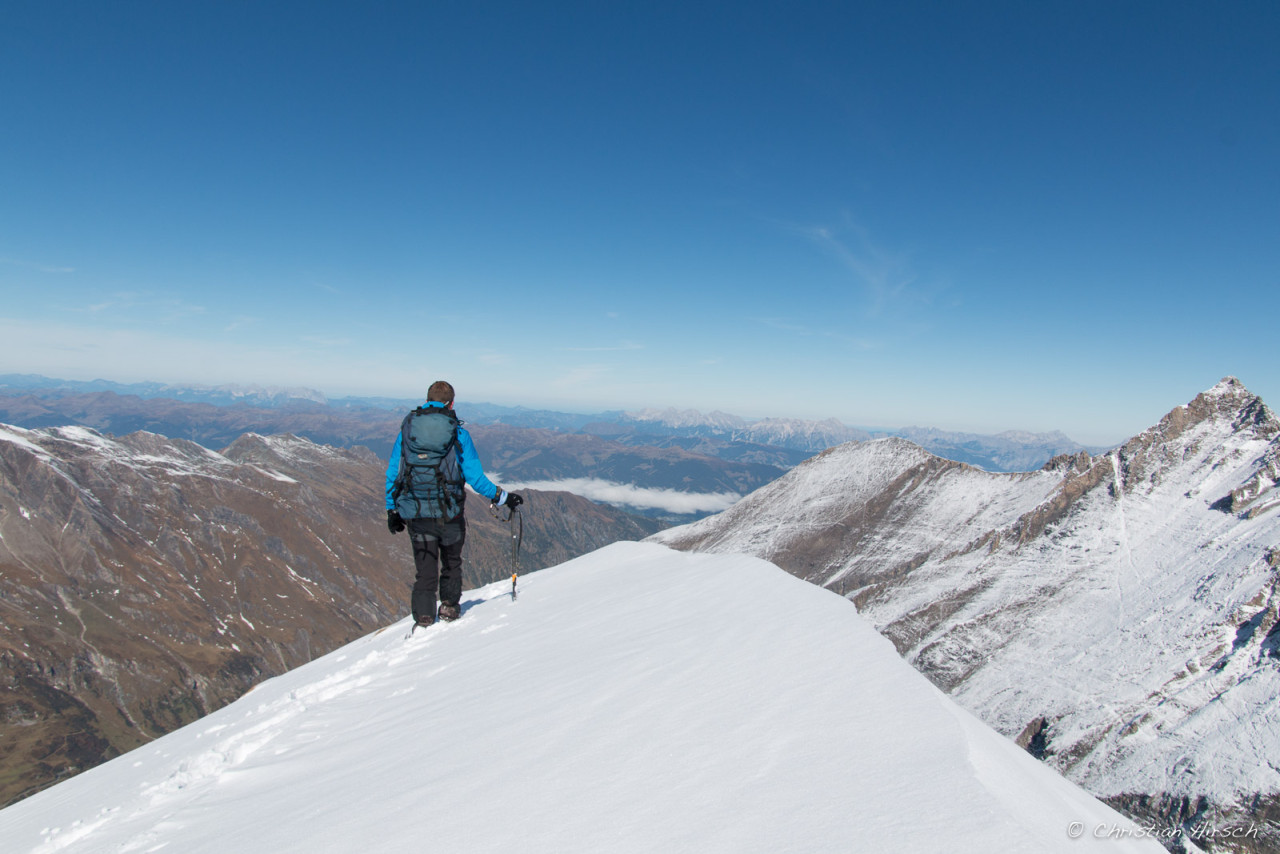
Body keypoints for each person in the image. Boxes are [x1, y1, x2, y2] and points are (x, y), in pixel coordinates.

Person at [385, 380, 522, 627]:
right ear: (451, 403)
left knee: (425, 568)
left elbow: (394, 472)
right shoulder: (458, 434)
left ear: (427, 400)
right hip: (450, 513)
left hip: (416, 512)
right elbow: (475, 478)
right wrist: (503, 497)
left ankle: (424, 617)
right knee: (451, 563)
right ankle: (449, 608)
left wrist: (392, 508)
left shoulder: (407, 431)